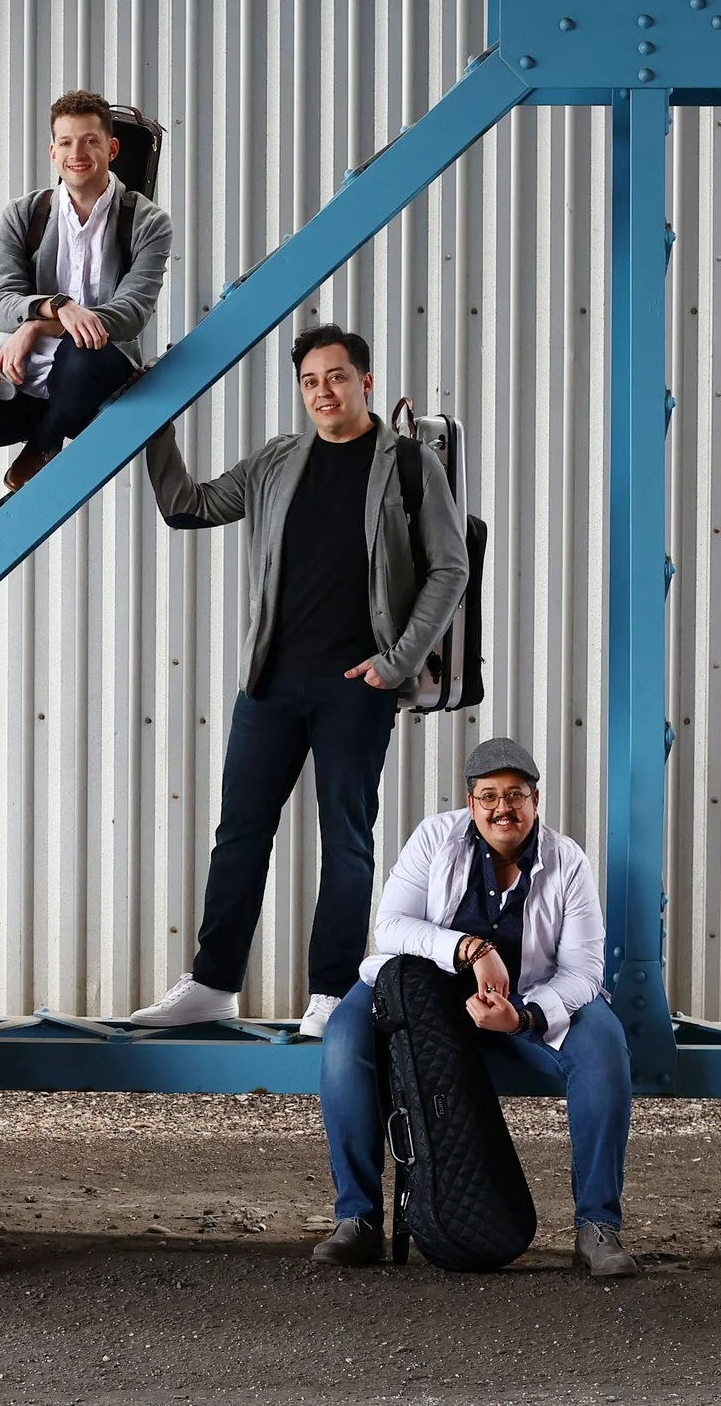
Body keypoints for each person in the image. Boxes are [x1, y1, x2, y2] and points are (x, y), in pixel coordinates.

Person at [129, 325, 468, 1039]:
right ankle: (213, 983)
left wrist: (397, 662)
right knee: (239, 833)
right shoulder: (277, 461)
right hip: (270, 684)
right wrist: (153, 423)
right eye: (311, 381)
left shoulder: (408, 465)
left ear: (365, 382)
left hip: (357, 687)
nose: (323, 392)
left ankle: (332, 992)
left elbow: (450, 567)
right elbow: (188, 504)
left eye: (336, 377)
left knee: (345, 839)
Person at [312, 737, 638, 1277]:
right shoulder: (434, 838)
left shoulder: (568, 860)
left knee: (604, 1049)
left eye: (515, 795)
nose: (502, 808)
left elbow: (583, 971)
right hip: (421, 994)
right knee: (344, 1045)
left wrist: (525, 1018)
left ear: (536, 800)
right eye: (489, 796)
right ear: (471, 803)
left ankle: (597, 1225)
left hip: (531, 998)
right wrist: (471, 948)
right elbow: (390, 927)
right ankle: (358, 1218)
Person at [0, 89, 176, 598]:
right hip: (23, 380)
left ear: (111, 148)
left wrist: (38, 325)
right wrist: (56, 308)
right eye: (65, 142)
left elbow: (131, 314)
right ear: (52, 150)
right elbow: (1, 303)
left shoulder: (147, 221)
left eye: (90, 141)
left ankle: (43, 447)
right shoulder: (24, 214)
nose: (77, 153)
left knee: (82, 352)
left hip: (93, 381)